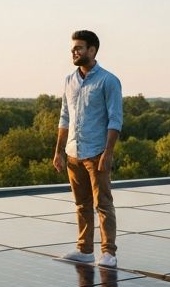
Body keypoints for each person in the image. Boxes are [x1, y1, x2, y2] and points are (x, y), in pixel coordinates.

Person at [52, 29, 123, 267]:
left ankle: (108, 253)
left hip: (96, 153)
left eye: (79, 48)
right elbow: (64, 118)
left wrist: (108, 153)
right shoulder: (69, 81)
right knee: (81, 205)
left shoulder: (108, 81)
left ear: (92, 51)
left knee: (103, 204)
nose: (74, 51)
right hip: (73, 152)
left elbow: (115, 120)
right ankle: (84, 250)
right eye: (73, 48)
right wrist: (59, 151)